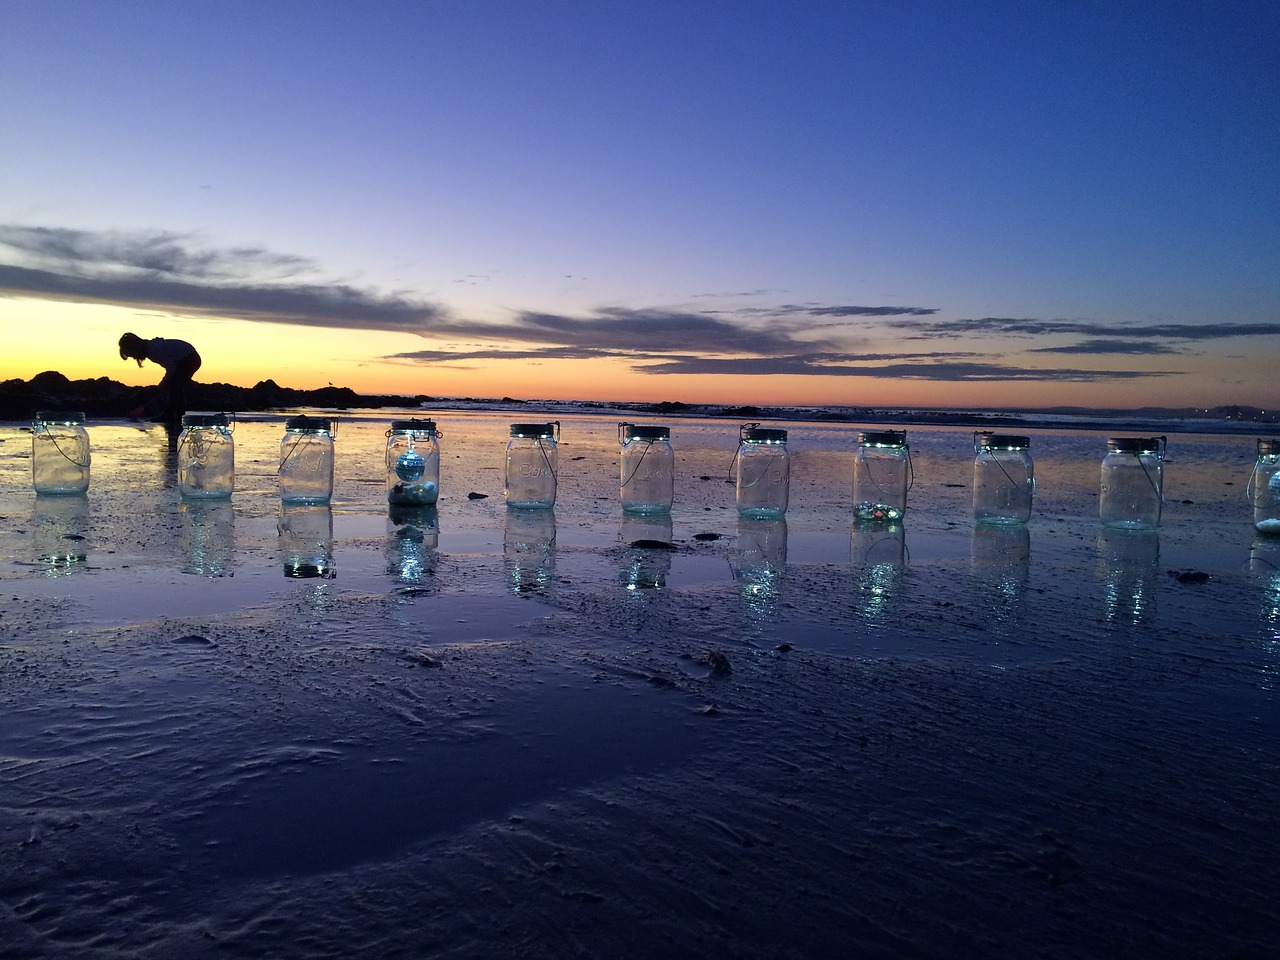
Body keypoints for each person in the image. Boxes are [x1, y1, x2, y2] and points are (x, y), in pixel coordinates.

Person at [119, 333, 202, 429]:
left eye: (132, 354)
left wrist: (161, 386)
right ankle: (175, 415)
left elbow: (171, 368)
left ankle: (171, 415)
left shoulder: (153, 350)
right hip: (187, 359)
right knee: (175, 386)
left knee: (175, 386)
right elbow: (172, 368)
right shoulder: (151, 348)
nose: (134, 358)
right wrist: (162, 386)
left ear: (135, 348)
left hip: (190, 359)